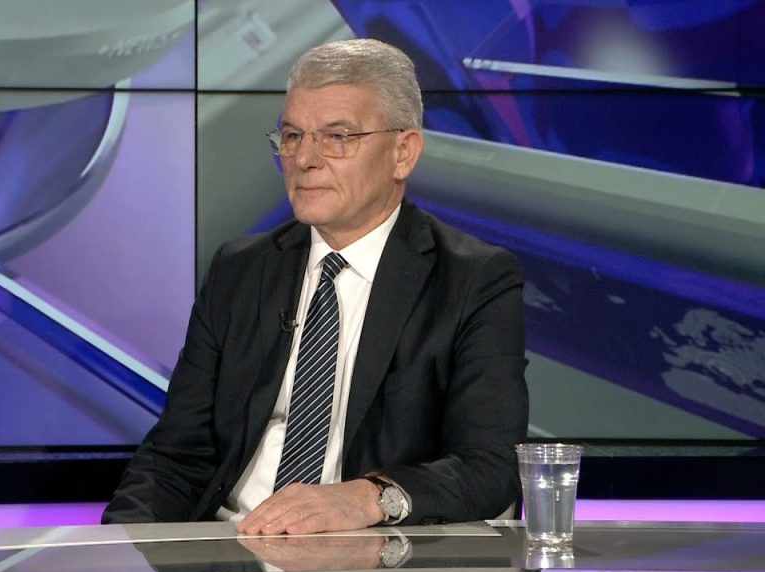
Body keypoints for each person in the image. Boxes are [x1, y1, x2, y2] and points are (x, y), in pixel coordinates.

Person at [102, 38, 528, 534]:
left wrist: (371, 497)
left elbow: (490, 466)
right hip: (231, 542)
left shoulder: (473, 280)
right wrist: (118, 550)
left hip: (372, 551)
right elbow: (175, 455)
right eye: (292, 136)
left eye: (337, 137)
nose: (304, 158)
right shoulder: (240, 270)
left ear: (403, 152)